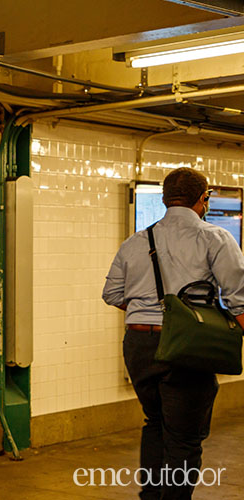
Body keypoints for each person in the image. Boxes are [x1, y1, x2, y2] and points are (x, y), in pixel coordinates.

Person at [103, 167, 244, 500]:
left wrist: (149, 313)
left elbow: (112, 294)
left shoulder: (136, 241)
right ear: (203, 199)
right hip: (185, 348)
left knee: (155, 423)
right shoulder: (215, 238)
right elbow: (239, 298)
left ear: (166, 200)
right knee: (184, 438)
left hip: (138, 345)